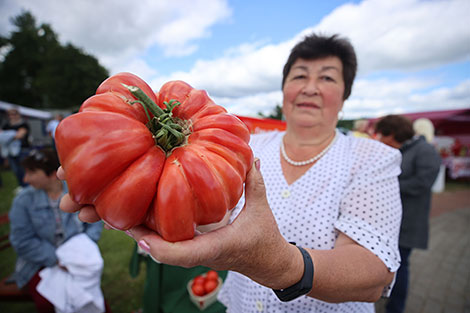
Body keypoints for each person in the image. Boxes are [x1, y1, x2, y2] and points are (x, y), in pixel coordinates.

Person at [59, 33, 403, 313]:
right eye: (300, 75)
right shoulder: (248, 145)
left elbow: (372, 275)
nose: (310, 87)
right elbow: (211, 214)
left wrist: (279, 265)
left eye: (327, 77)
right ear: (284, 90)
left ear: (344, 96)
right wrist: (138, 194)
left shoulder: (372, 157)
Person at [8, 148, 105, 313]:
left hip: (78, 260)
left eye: (31, 172)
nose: (25, 178)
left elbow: (94, 222)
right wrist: (58, 260)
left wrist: (82, 251)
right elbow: (22, 241)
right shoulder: (23, 201)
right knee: (49, 303)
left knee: (90, 300)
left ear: (52, 173)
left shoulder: (77, 190)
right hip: (39, 264)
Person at [374, 115, 441, 313]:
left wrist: (388, 185)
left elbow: (423, 183)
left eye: (382, 134)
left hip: (409, 222)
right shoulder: (408, 149)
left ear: (392, 134)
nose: (380, 139)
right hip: (395, 221)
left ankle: (396, 308)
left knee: (399, 266)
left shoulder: (425, 150)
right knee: (392, 264)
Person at [1, 107, 31, 188]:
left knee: (24, 170)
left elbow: (20, 135)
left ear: (18, 114)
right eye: (10, 114)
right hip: (10, 151)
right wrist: (11, 134)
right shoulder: (6, 125)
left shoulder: (23, 124)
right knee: (16, 170)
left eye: (14, 114)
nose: (12, 116)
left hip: (23, 150)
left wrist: (6, 135)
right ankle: (22, 186)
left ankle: (27, 187)